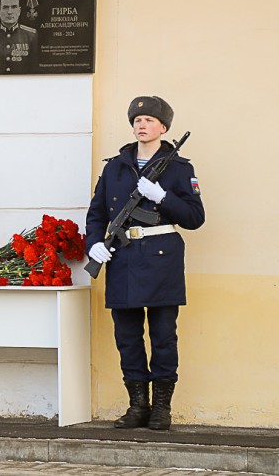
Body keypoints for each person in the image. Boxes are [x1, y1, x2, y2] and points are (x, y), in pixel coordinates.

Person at [85, 96, 205, 431]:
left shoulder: (179, 168)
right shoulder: (115, 167)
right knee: (127, 336)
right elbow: (96, 215)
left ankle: (162, 407)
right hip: (122, 257)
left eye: (150, 120)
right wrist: (94, 245)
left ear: (163, 127)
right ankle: (138, 405)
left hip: (161, 258)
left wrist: (162, 197)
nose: (142, 125)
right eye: (137, 120)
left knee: (164, 335)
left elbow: (196, 217)